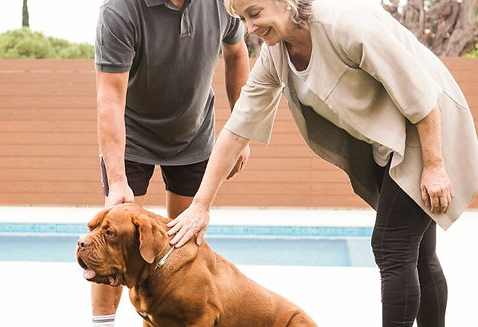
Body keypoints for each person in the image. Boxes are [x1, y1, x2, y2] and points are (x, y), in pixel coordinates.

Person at [166, 0, 478, 326]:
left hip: (430, 128)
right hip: (394, 140)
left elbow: (422, 96)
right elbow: (235, 130)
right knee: (420, 256)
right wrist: (201, 205)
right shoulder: (276, 54)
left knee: (391, 246)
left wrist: (435, 165)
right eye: (243, 19)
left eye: (254, 13)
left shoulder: (344, 25)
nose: (249, 29)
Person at [92, 0, 250, 326]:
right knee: (112, 241)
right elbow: (109, 98)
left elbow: (236, 53)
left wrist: (240, 128)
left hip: (192, 134)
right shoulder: (119, 11)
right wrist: (118, 178)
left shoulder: (223, 4)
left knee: (184, 244)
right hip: (131, 139)